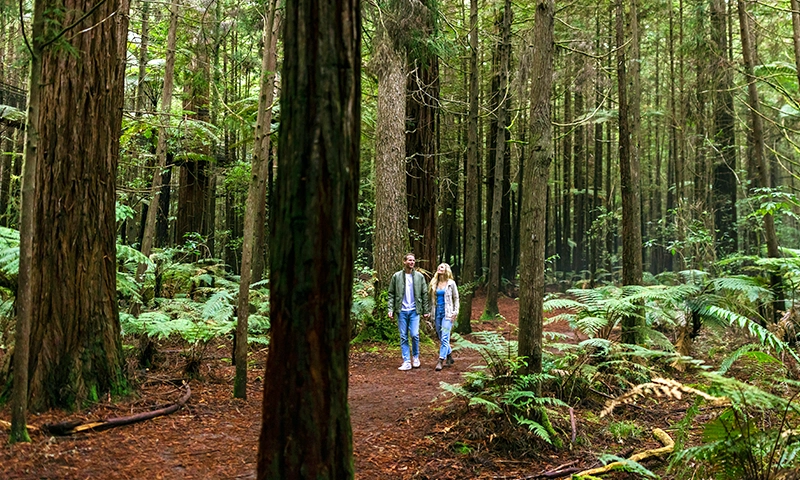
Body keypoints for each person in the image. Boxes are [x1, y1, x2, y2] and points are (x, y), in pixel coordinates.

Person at [387, 253, 430, 371]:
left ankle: (416, 357)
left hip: (414, 311)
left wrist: (426, 310)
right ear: (404, 261)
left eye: (413, 260)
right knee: (403, 336)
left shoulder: (419, 277)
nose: (412, 262)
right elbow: (391, 294)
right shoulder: (396, 276)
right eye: (410, 260)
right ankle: (406, 361)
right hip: (401, 311)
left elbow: (424, 294)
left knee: (415, 334)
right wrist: (390, 309)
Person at [429, 262, 459, 371]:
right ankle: (449, 356)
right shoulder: (434, 283)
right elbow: (431, 300)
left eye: (442, 267)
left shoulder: (451, 283)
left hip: (448, 312)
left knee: (445, 337)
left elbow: (456, 298)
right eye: (438, 267)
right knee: (441, 336)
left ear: (446, 270)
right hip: (437, 311)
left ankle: (440, 360)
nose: (439, 268)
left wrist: (455, 312)